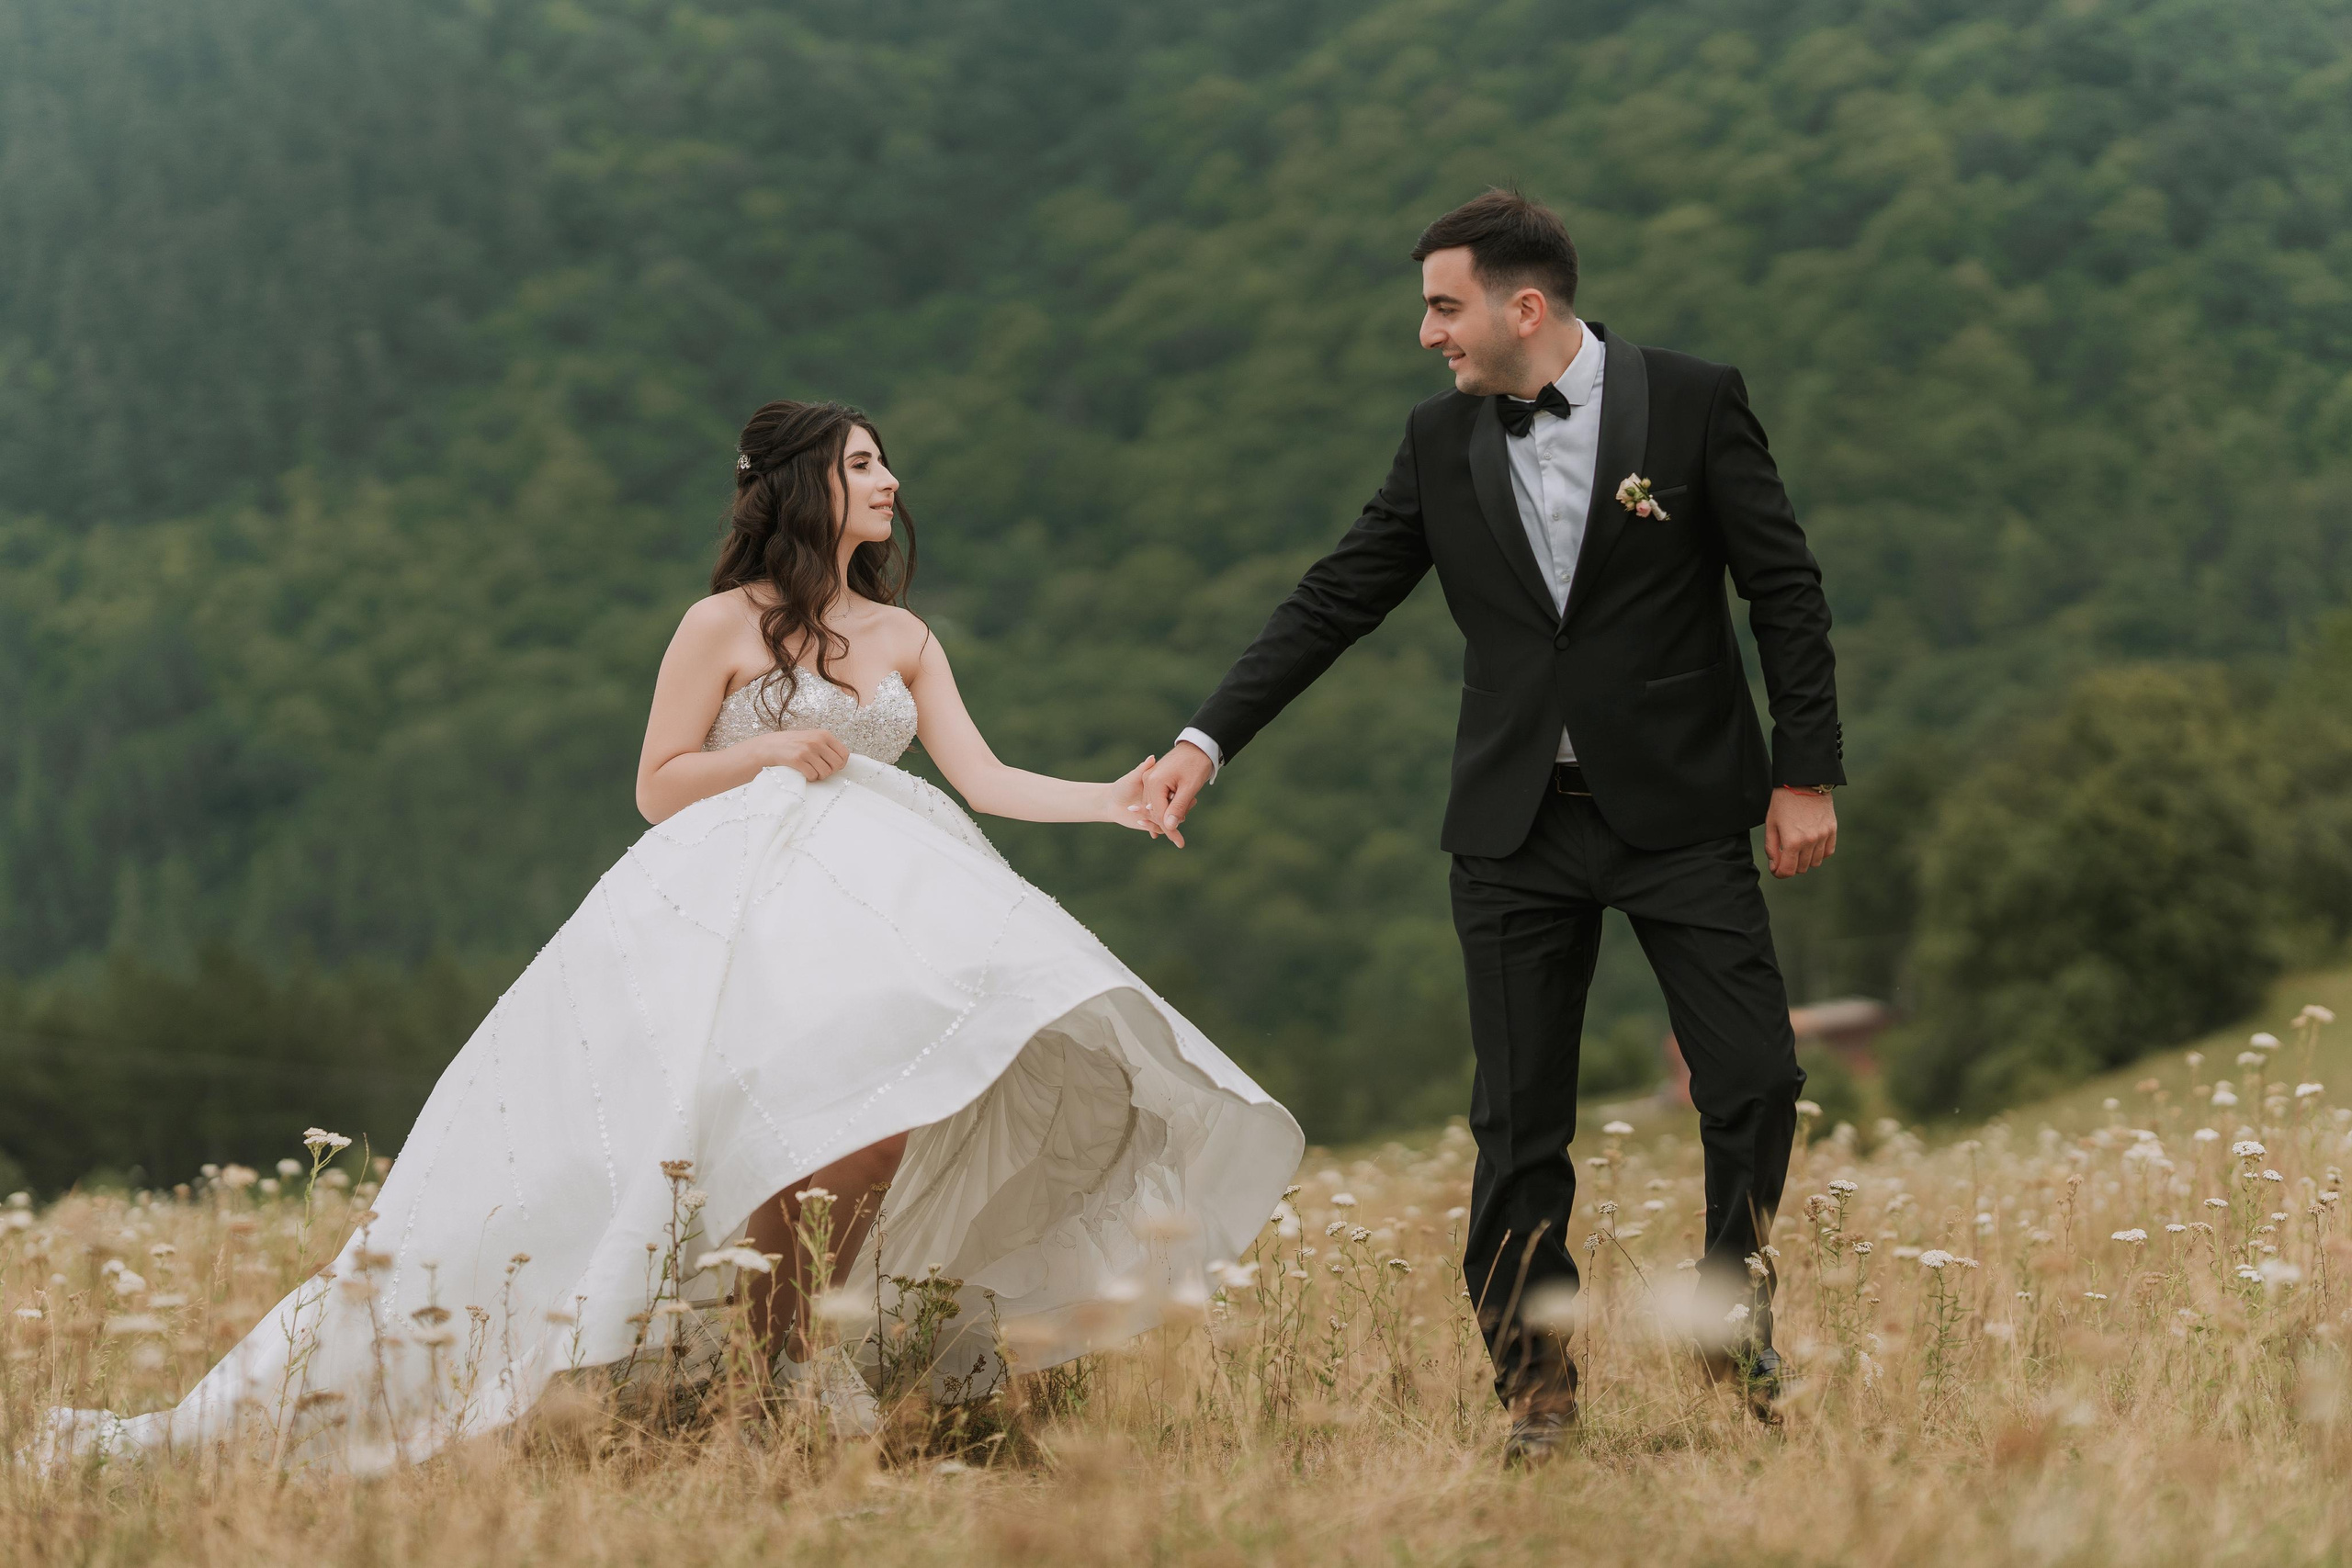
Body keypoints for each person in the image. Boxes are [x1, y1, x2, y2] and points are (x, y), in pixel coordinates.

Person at [43, 399, 1303, 1471]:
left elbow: (984, 777)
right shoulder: (721, 625)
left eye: (882, 464)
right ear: (807, 485)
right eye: (865, 464)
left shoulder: (907, 637)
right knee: (779, 1135)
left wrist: (1115, 796)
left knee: (875, 1135)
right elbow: (657, 781)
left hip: (888, 893)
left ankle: (793, 1364)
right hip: (743, 905)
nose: (890, 482)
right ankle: (756, 1381)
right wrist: (766, 750)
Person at [1140, 188, 1843, 1465]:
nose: (1427, 336)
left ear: (1527, 307)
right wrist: (1205, 740)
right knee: (1520, 1123)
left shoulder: (1691, 400)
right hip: (1515, 829)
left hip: (1684, 812)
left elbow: (1782, 588)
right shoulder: (1438, 445)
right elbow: (1333, 599)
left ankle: (1730, 1312)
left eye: (1443, 307)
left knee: (1755, 1079)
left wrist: (1807, 773)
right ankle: (1536, 1390)